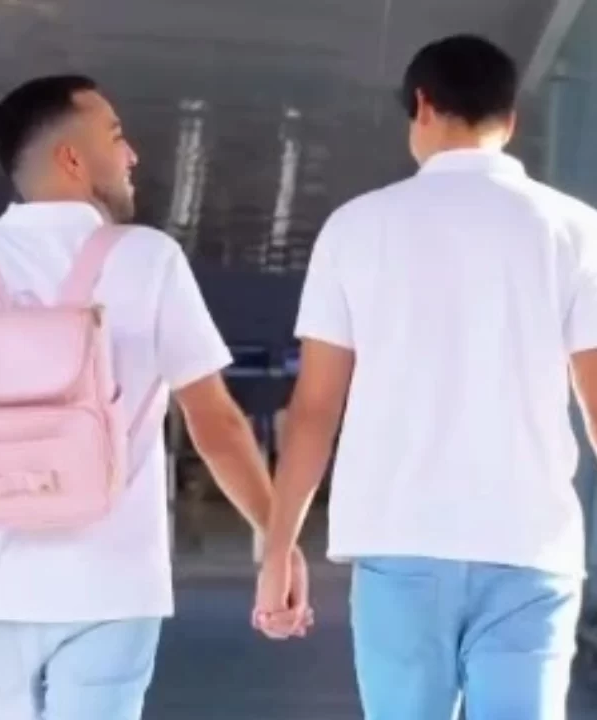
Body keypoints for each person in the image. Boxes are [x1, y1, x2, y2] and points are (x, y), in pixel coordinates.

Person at [254, 34, 597, 720]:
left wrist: (278, 548)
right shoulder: (577, 230)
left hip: (397, 542)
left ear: (423, 105)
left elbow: (315, 409)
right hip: (530, 545)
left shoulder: (355, 228)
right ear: (510, 119)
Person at [0, 75, 309, 720]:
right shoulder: (147, 258)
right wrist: (276, 540)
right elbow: (216, 423)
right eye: (115, 137)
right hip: (114, 582)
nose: (133, 155)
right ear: (71, 158)